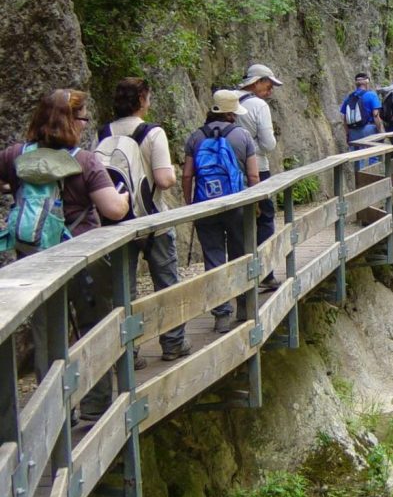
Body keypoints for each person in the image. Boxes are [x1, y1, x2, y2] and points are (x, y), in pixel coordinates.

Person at [0, 88, 129, 420]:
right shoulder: (84, 161)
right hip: (80, 258)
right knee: (92, 326)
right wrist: (124, 196)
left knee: (46, 331)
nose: (85, 125)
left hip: (35, 260)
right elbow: (112, 210)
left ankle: (55, 410)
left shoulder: (15, 156)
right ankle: (94, 402)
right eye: (83, 118)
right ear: (70, 121)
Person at [101, 78, 192, 363]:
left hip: (119, 223)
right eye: (148, 97)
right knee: (166, 283)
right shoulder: (153, 133)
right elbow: (164, 180)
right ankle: (173, 343)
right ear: (141, 99)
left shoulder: (103, 133)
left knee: (124, 290)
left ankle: (128, 353)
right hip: (154, 221)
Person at [182, 90, 260, 333]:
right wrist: (254, 204)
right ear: (231, 113)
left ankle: (221, 315)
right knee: (241, 252)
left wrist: (190, 204)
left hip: (205, 205)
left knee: (214, 258)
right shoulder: (243, 136)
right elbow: (254, 175)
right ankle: (245, 306)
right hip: (237, 204)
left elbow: (186, 175)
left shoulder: (196, 137)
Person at [236, 63, 280, 291]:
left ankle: (240, 276)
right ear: (257, 82)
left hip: (229, 172)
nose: (271, 89)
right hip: (257, 168)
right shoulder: (258, 105)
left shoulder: (228, 100)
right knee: (264, 217)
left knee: (238, 222)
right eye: (269, 84)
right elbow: (269, 144)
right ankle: (265, 272)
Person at [343, 72, 384, 169]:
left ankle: (359, 182)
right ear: (367, 82)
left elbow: (344, 119)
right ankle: (373, 180)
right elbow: (375, 115)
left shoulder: (349, 97)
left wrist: (348, 134)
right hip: (369, 129)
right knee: (373, 155)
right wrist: (380, 130)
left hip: (353, 131)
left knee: (357, 159)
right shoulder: (371, 95)